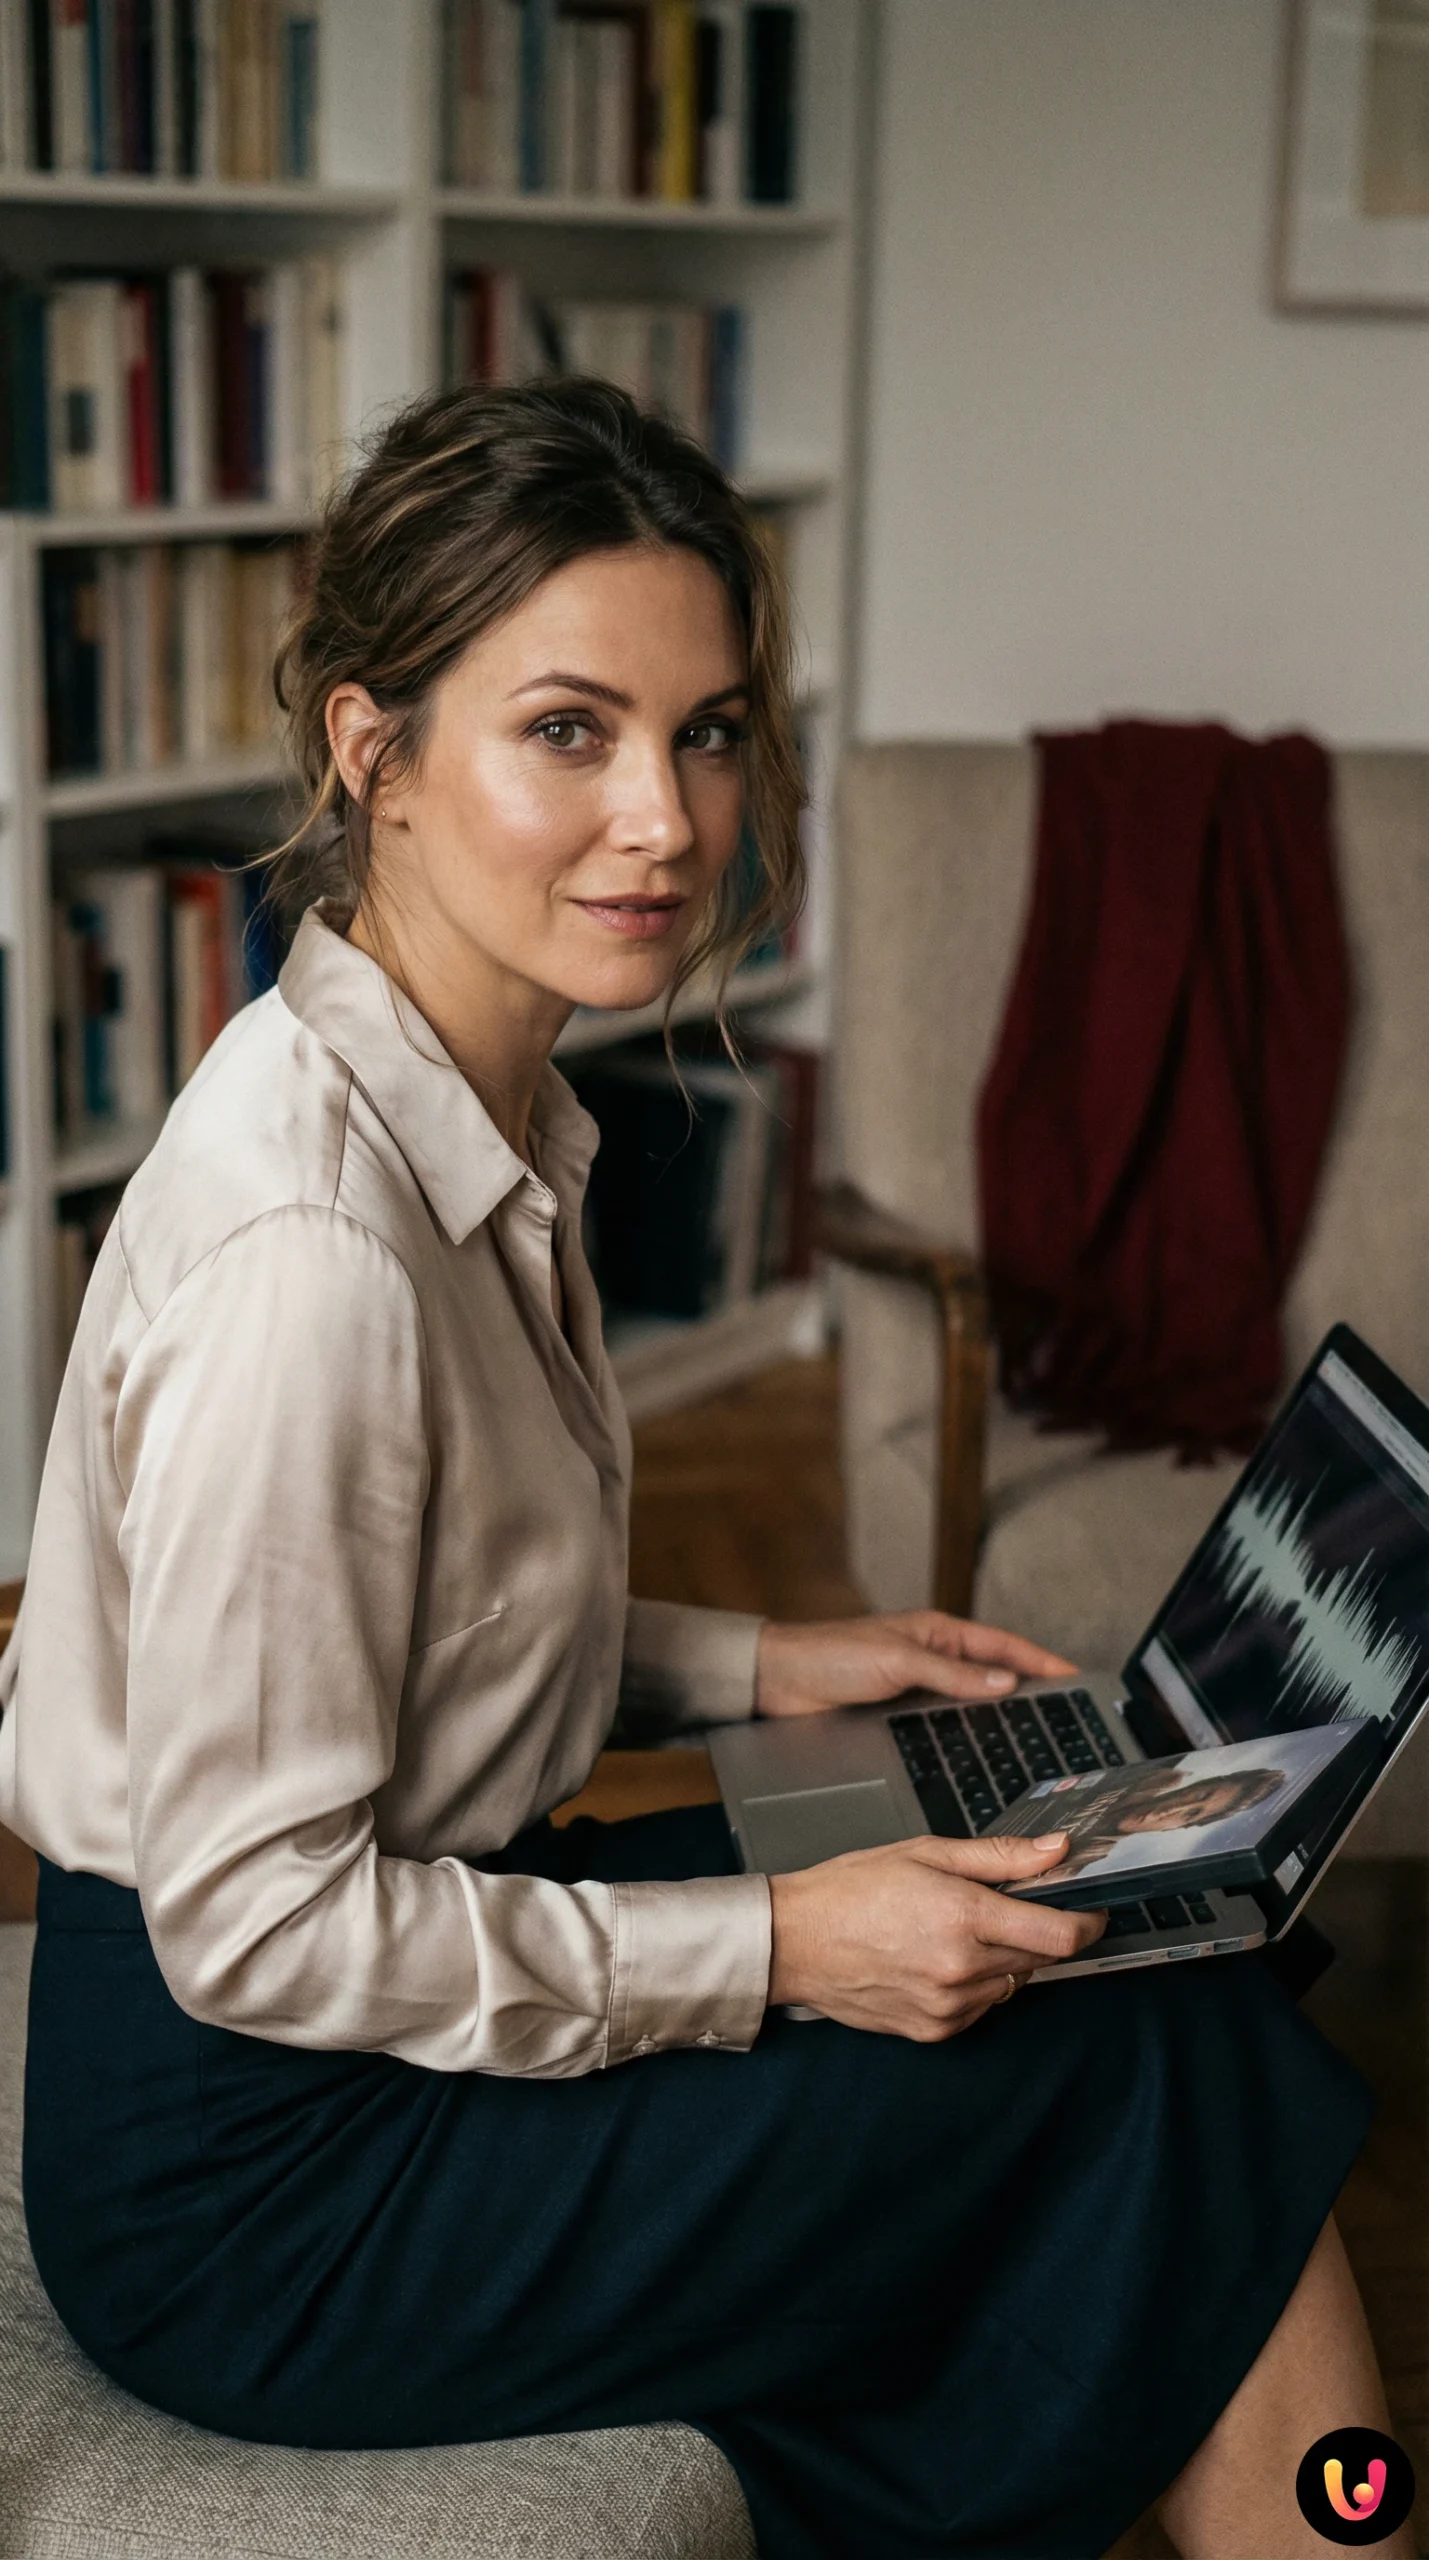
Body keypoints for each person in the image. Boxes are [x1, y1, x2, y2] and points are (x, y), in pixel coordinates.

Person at [0, 382, 1407, 2560]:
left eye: (712, 728)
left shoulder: (443, 1106)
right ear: (371, 751)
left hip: (375, 2011)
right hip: (272, 2174)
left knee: (1137, 1968)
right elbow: (259, 1922)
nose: (667, 817)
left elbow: (408, 1609)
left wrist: (772, 1663)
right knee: (1150, 2048)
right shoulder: (314, 1254)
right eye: (568, 728)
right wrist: (779, 1941)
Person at [1026, 1761, 1288, 1884]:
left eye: (1190, 1815)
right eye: (1198, 1795)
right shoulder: (1146, 1778)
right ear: (1193, 1785)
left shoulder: (1074, 1865)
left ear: (1184, 1827)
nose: (1174, 1809)